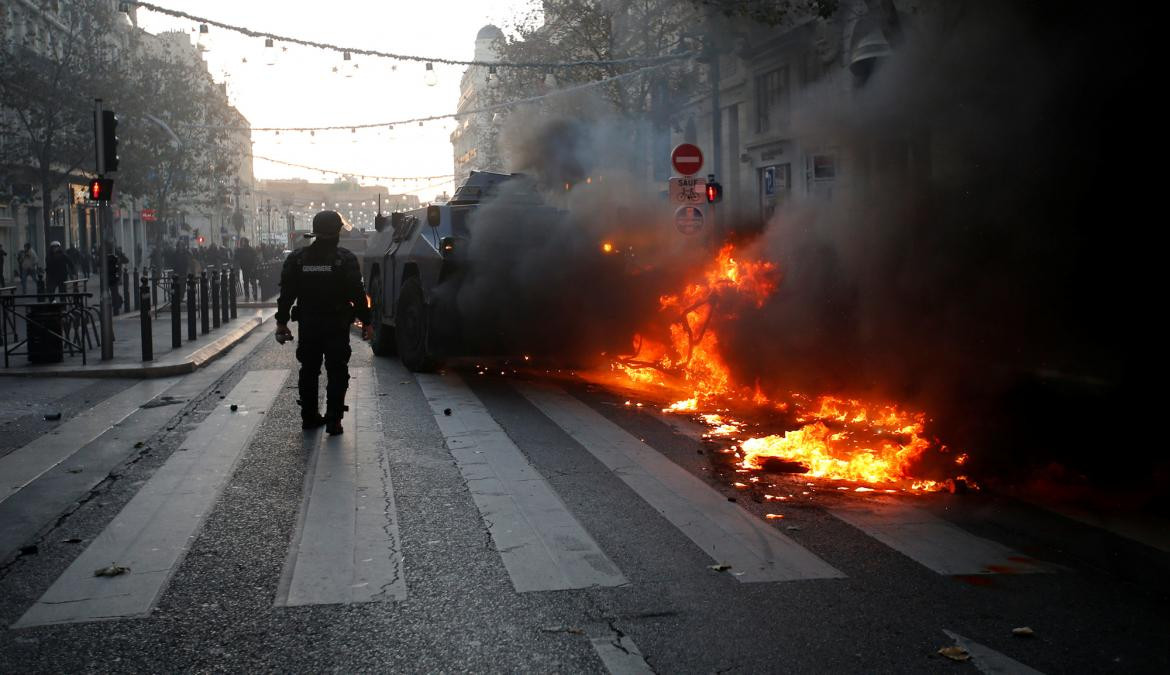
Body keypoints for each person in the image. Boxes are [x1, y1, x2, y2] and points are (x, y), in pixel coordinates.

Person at [275, 211, 371, 435]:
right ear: (338, 232)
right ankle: (334, 420)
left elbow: (286, 294)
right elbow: (357, 294)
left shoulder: (298, 259)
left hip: (309, 324)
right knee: (337, 371)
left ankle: (309, 417)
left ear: (314, 232)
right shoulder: (345, 259)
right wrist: (367, 322)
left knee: (308, 370)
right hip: (336, 325)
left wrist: (282, 322)